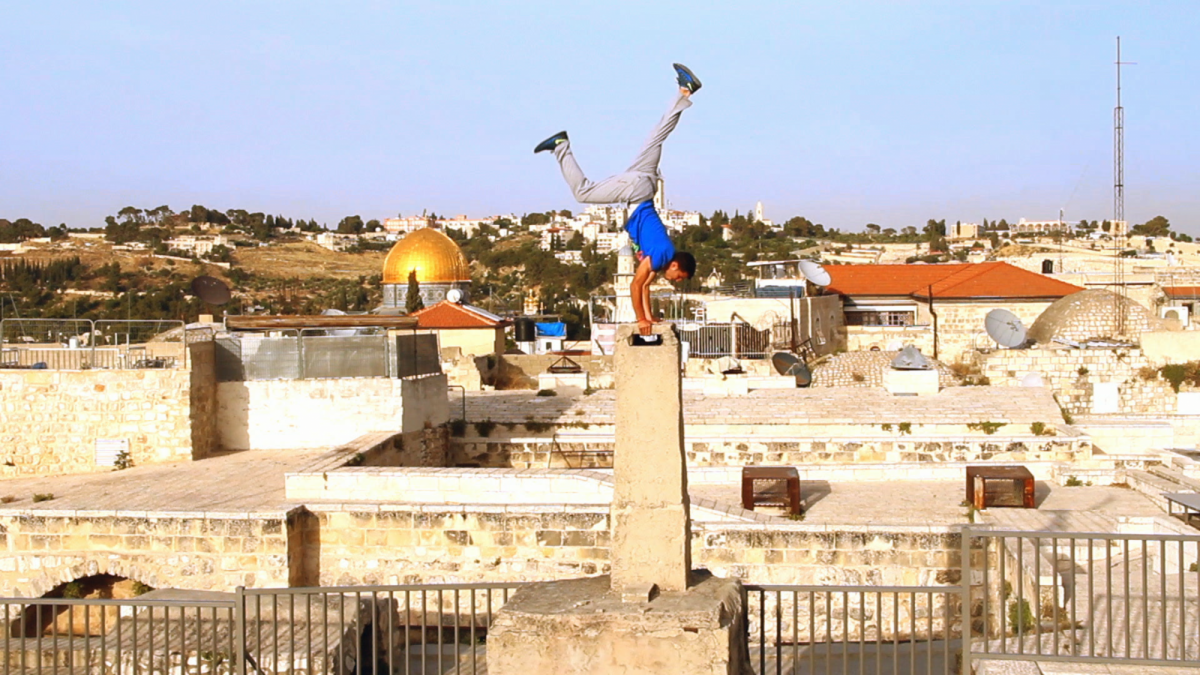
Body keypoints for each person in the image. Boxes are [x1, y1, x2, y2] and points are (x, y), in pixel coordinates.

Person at [535, 63, 700, 335]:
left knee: (657, 136)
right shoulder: (661, 255)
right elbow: (636, 286)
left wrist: (649, 317)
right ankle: (560, 146)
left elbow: (644, 286)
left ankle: (685, 91)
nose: (675, 281)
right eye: (678, 277)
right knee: (583, 193)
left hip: (645, 185)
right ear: (675, 266)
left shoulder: (661, 257)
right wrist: (641, 321)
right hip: (637, 192)